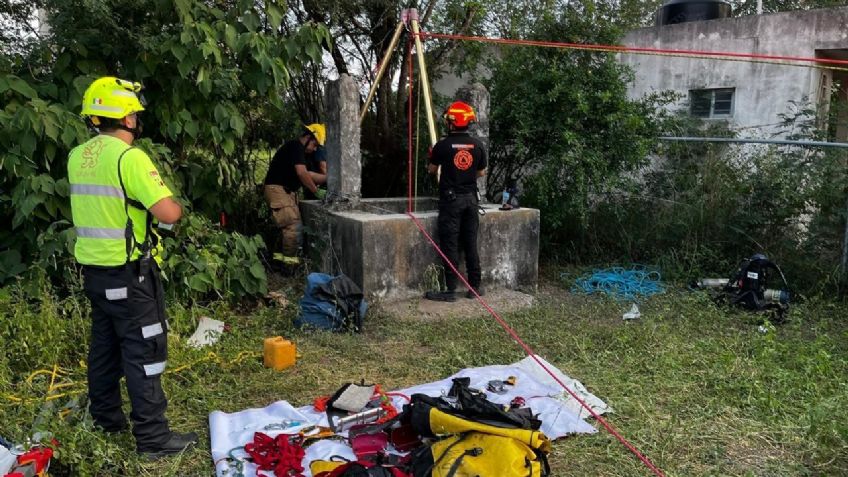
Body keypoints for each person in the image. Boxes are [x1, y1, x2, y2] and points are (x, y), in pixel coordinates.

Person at [68, 77, 197, 459]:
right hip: (129, 275)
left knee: (105, 350)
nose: (137, 117)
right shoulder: (129, 158)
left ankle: (106, 420)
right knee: (145, 350)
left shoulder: (78, 156)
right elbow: (168, 212)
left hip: (94, 273)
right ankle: (153, 439)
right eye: (135, 111)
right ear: (125, 116)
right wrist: (174, 212)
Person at [424, 101, 488, 302]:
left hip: (451, 202)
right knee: (470, 243)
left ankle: (450, 290)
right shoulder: (477, 145)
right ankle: (474, 287)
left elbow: (432, 171)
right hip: (471, 200)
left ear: (451, 123)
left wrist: (432, 156)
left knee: (450, 243)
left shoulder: (442, 146)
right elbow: (481, 172)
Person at [264, 123, 327, 268]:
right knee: (292, 227)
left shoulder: (298, 151)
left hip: (283, 191)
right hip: (278, 190)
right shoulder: (296, 146)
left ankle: (277, 262)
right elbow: (302, 173)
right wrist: (315, 191)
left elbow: (309, 174)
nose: (315, 149)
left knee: (285, 229)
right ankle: (289, 267)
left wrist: (329, 178)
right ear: (308, 137)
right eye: (315, 144)